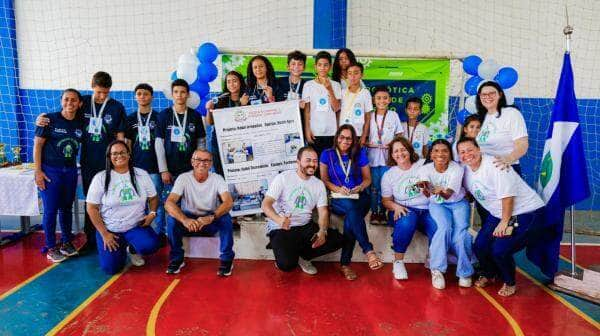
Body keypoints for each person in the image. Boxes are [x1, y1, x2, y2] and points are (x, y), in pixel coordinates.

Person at [35, 71, 127, 253]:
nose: (102, 96)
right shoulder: (81, 103)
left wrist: (121, 161)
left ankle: (115, 237)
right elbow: (63, 115)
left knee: (111, 200)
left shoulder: (116, 107)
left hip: (110, 163)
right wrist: (40, 119)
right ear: (92, 86)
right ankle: (91, 240)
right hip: (87, 163)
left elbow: (120, 136)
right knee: (90, 201)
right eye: (99, 92)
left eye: (106, 92)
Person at [457, 137, 545, 297]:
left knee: (499, 250)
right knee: (480, 246)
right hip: (498, 213)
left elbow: (508, 197)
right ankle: (490, 274)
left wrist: (504, 222)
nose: (467, 154)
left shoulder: (495, 166)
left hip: (526, 211)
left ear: (479, 149)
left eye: (470, 150)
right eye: (462, 152)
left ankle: (510, 282)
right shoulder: (465, 170)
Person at [261, 146, 346, 274]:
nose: (312, 164)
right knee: (287, 265)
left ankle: (303, 257)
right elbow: (265, 204)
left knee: (339, 239)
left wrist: (322, 231)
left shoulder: (318, 184)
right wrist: (279, 219)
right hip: (282, 227)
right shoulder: (283, 177)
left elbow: (323, 212)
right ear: (298, 162)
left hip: (305, 226)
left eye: (315, 161)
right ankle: (282, 247)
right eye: (308, 160)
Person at [86, 140, 160, 274]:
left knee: (151, 245)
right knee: (111, 269)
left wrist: (152, 214)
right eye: (114, 154)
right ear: (109, 157)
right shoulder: (101, 178)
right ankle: (118, 249)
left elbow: (153, 198)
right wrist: (104, 233)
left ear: (129, 154)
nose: (119, 156)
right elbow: (91, 208)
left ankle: (132, 249)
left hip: (135, 226)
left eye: (122, 152)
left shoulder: (141, 174)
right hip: (111, 230)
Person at [320, 125, 382, 280]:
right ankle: (368, 251)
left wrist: (359, 187)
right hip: (337, 198)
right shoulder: (327, 154)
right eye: (342, 137)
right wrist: (339, 189)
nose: (345, 141)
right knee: (351, 210)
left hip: (359, 196)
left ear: (353, 140)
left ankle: (345, 265)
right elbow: (324, 180)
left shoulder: (359, 153)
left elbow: (368, 179)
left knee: (351, 218)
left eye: (349, 138)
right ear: (336, 138)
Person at [164, 149, 235, 276]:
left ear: (211, 163)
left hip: (209, 221)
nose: (202, 163)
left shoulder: (217, 179)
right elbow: (169, 203)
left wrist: (211, 217)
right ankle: (177, 258)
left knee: (226, 218)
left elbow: (228, 202)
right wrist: (184, 220)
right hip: (189, 221)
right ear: (192, 162)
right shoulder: (183, 178)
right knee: (171, 219)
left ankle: (226, 259)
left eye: (206, 160)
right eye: (198, 160)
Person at [33, 89, 84, 262]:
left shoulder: (81, 123)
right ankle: (51, 246)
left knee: (66, 208)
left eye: (74, 100)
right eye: (66, 99)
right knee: (50, 210)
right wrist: (38, 171)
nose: (70, 103)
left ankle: (67, 242)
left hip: (70, 171)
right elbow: (38, 145)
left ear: (80, 103)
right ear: (61, 101)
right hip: (50, 171)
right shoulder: (49, 119)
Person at [417, 139, 474, 289]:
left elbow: (447, 195)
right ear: (431, 153)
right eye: (436, 150)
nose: (440, 154)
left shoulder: (457, 169)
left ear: (450, 154)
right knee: (444, 228)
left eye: (444, 150)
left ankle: (465, 272)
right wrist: (424, 187)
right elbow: (427, 191)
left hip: (458, 203)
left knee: (461, 233)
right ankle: (437, 269)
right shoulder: (425, 169)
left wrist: (435, 189)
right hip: (438, 205)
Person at [381, 137, 435, 280]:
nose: (400, 153)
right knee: (407, 221)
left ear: (410, 150)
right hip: (405, 209)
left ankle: (433, 258)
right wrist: (395, 206)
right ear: (392, 155)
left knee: (438, 226)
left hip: (428, 209)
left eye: (403, 149)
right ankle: (398, 262)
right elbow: (385, 201)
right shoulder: (389, 174)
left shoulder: (423, 164)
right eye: (396, 151)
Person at [125, 83, 167, 243]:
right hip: (135, 168)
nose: (143, 96)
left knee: (156, 202)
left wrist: (164, 168)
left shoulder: (159, 117)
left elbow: (162, 143)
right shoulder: (130, 119)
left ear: (152, 97)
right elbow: (127, 143)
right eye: (139, 94)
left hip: (155, 167)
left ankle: (159, 234)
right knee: (137, 203)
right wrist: (127, 167)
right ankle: (141, 234)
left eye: (146, 94)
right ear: (135, 97)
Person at [155, 79, 206, 187]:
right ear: (172, 94)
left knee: (192, 201)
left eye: (183, 92)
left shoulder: (195, 116)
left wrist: (199, 165)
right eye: (176, 92)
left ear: (188, 95)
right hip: (171, 169)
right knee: (173, 200)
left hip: (191, 168)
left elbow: (201, 142)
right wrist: (163, 170)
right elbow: (159, 144)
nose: (179, 95)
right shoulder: (163, 115)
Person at [366, 86, 404, 224]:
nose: (382, 101)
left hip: (388, 159)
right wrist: (368, 144)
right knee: (374, 187)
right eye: (378, 98)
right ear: (373, 100)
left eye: (385, 98)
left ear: (390, 100)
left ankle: (382, 212)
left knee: (385, 186)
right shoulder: (369, 115)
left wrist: (392, 144)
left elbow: (399, 135)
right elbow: (363, 137)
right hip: (372, 157)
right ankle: (374, 212)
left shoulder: (393, 115)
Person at [475, 81, 528, 175]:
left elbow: (522, 144)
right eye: (483, 94)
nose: (487, 96)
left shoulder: (511, 113)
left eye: (492, 93)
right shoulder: (479, 118)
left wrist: (509, 159)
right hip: (483, 170)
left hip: (505, 169)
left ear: (500, 94)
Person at [205, 71, 249, 176]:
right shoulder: (220, 98)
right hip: (220, 142)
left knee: (240, 172)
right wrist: (208, 110)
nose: (231, 84)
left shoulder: (247, 98)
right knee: (220, 173)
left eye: (234, 81)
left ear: (240, 82)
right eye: (228, 82)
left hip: (240, 142)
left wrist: (243, 105)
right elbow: (210, 122)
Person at [302, 51, 342, 157]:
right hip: (315, 131)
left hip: (331, 132)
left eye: (325, 65)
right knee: (315, 163)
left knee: (329, 163)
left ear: (330, 67)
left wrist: (329, 89)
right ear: (315, 67)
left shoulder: (336, 85)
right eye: (319, 65)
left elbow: (337, 108)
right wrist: (307, 130)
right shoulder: (308, 85)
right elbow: (307, 111)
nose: (322, 68)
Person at [339, 62, 372, 146]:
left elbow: (368, 117)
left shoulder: (365, 92)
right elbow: (338, 113)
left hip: (358, 133)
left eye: (356, 73)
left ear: (362, 75)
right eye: (350, 73)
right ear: (346, 76)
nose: (353, 76)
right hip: (342, 134)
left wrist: (364, 136)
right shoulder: (342, 92)